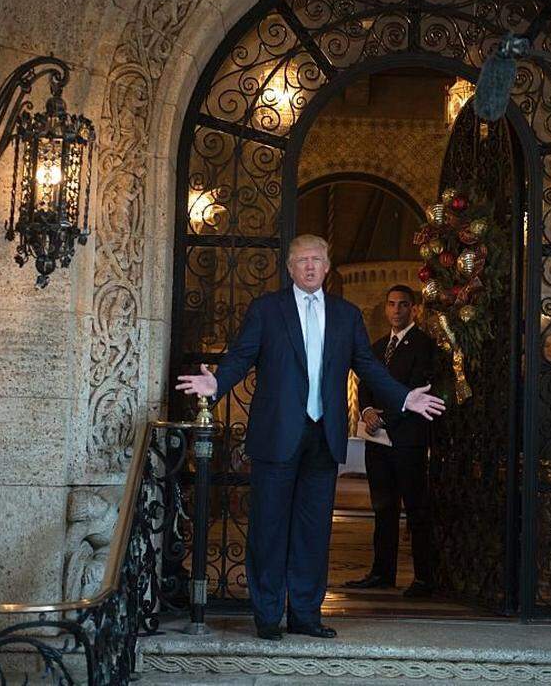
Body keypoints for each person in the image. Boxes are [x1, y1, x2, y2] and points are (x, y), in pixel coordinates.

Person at [176, 234, 445, 641]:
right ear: (289, 268)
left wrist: (405, 397)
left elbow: (368, 367)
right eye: (301, 260)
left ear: (327, 265)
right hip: (276, 437)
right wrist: (217, 385)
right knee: (268, 528)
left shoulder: (346, 315)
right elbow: (241, 356)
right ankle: (267, 615)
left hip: (324, 437)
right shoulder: (267, 309)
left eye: (317, 259)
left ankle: (304, 614)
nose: (309, 266)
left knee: (313, 530)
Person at [346, 285, 438, 597]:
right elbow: (366, 383)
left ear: (413, 309)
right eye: (391, 304)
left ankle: (425, 578)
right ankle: (382, 572)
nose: (396, 310)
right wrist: (368, 411)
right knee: (382, 508)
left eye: (402, 305)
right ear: (385, 309)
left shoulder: (425, 345)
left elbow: (419, 388)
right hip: (377, 441)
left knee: (415, 509)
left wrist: (385, 416)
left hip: (407, 440)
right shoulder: (378, 346)